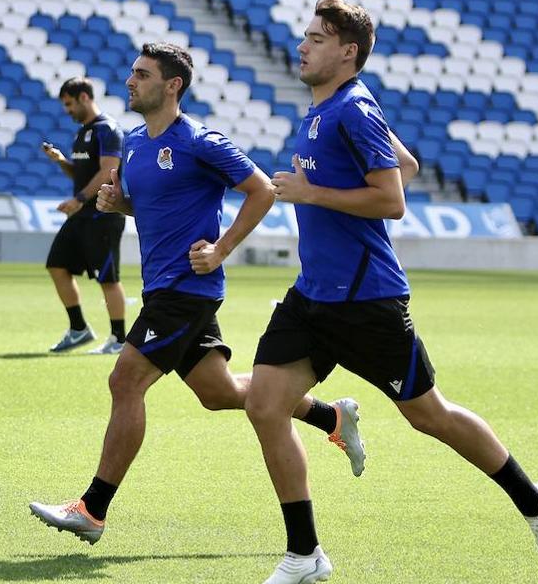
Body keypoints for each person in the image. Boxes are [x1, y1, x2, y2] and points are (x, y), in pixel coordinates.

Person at [241, 0, 538, 584]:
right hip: (313, 296)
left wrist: (311, 193)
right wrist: (322, 187)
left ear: (347, 52)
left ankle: (536, 502)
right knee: (265, 403)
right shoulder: (326, 109)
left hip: (367, 300)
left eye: (315, 38)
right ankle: (304, 554)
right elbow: (405, 162)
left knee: (428, 415)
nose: (302, 46)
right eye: (304, 36)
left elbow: (392, 198)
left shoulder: (352, 109)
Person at [29, 43, 365, 545]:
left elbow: (262, 190)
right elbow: (151, 208)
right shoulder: (137, 143)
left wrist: (222, 249)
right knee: (220, 393)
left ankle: (92, 509)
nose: (130, 81)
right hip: (163, 287)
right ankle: (329, 414)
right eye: (131, 73)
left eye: (141, 75)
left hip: (188, 290)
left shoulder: (201, 141)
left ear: (172, 86)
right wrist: (117, 203)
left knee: (125, 381)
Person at [41, 78, 128, 354]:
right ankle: (78, 329)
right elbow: (82, 174)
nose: (67, 110)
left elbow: (107, 171)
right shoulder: (83, 133)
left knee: (107, 277)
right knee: (57, 265)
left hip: (103, 213)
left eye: (69, 104)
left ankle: (118, 338)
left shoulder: (107, 130)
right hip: (82, 215)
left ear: (83, 97)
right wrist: (61, 161)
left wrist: (78, 199)